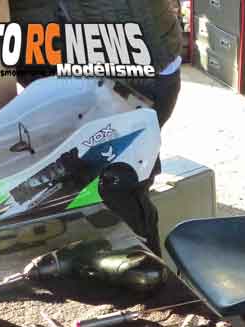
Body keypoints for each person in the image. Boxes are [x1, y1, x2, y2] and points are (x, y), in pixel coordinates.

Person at [52, 0, 184, 254]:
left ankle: (146, 268)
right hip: (104, 59)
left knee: (119, 184)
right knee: (115, 178)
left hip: (138, 69)